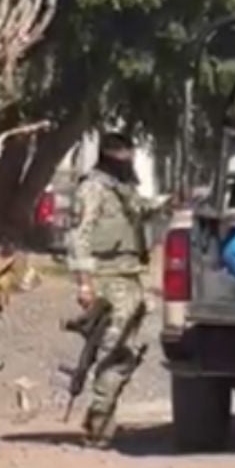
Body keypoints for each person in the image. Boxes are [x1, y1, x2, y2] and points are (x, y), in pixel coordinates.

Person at [66, 132, 168, 447]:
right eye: (125, 153)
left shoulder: (121, 189)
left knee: (126, 351)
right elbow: (79, 236)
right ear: (114, 154)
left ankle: (100, 420)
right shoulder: (93, 188)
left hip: (129, 276)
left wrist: (167, 204)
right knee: (117, 351)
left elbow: (138, 213)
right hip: (107, 279)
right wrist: (84, 283)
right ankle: (98, 423)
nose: (130, 159)